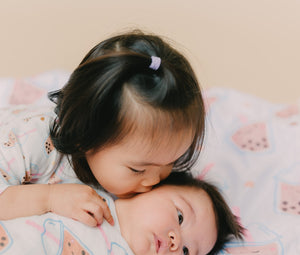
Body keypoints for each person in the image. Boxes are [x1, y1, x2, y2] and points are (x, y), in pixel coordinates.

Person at [0, 30, 205, 227]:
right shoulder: (31, 141)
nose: (153, 179)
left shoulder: (138, 171)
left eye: (171, 161)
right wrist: (50, 198)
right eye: (138, 169)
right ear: (84, 133)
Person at [0, 172, 243, 255]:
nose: (176, 241)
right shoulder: (82, 191)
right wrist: (49, 198)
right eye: (179, 216)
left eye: (187, 252)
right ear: (147, 187)